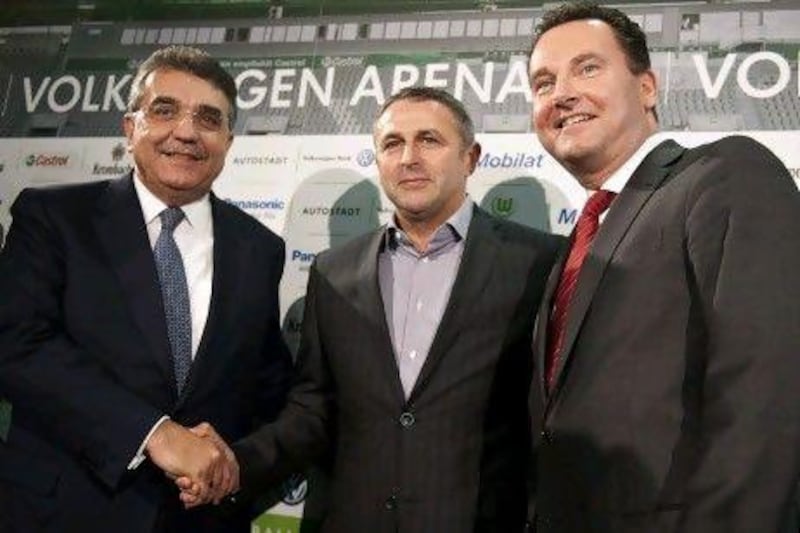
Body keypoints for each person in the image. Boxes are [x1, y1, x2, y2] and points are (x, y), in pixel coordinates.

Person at [180, 86, 563, 532]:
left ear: (470, 158)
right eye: (392, 144)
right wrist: (235, 461)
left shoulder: (539, 262)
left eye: (429, 140)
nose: (409, 158)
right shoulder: (334, 272)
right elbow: (313, 409)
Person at [526, 3, 800, 532]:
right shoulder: (576, 244)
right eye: (543, 82)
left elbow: (768, 396)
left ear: (647, 87)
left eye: (587, 68)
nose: (561, 93)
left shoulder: (725, 175)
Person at [0, 45, 292, 532]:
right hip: (64, 513)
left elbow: (265, 383)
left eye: (208, 118)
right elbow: (16, 345)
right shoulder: (54, 218)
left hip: (200, 520)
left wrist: (233, 460)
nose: (186, 131)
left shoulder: (260, 248)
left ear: (228, 140)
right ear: (129, 127)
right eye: (165, 110)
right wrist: (153, 433)